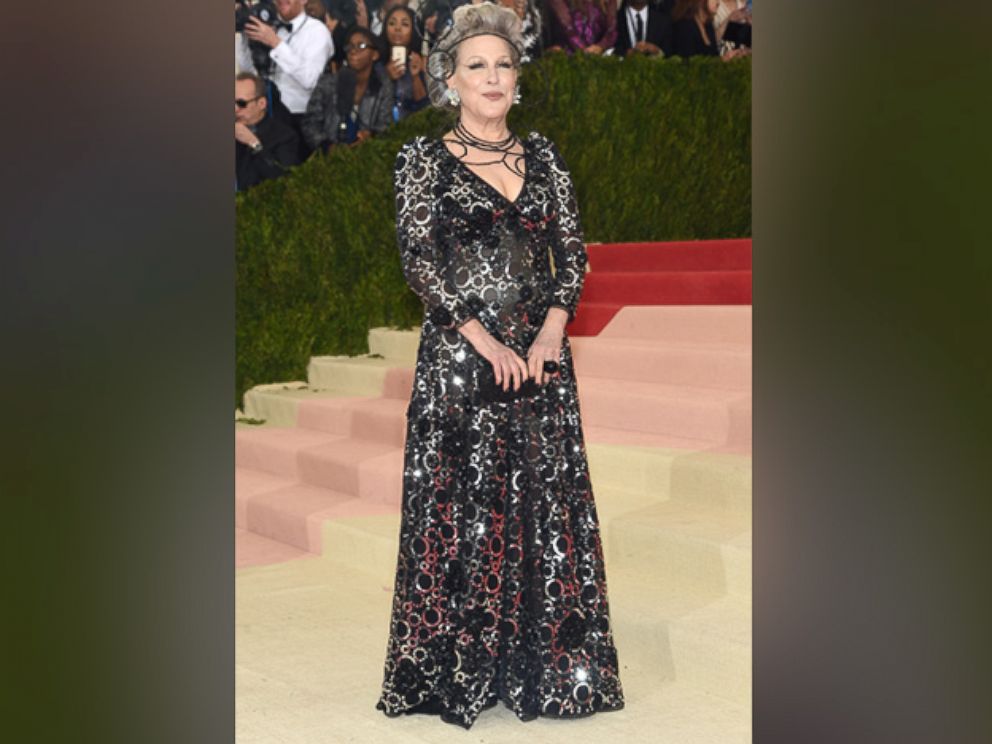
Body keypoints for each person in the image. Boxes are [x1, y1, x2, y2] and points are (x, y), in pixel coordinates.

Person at [374, 2, 625, 729]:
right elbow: (420, 260)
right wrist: (486, 341)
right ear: (449, 80)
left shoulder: (545, 158)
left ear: (519, 79)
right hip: (462, 364)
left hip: (541, 367)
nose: (492, 76)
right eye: (475, 65)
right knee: (460, 513)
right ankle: (456, 673)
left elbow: (571, 256)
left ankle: (546, 668)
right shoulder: (420, 161)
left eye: (503, 64)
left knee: (545, 512)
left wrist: (549, 334)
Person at [236, 0, 335, 155]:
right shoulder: (271, 27)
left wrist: (275, 43)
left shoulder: (317, 31)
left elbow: (310, 79)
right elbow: (251, 74)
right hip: (268, 117)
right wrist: (245, 36)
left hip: (301, 120)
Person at [301, 26, 395, 150]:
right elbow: (310, 123)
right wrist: (327, 146)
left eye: (361, 46)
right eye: (350, 46)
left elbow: (385, 126)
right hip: (328, 159)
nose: (353, 51)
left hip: (368, 156)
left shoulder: (383, 87)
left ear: (375, 55)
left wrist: (371, 136)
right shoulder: (328, 83)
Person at [235, 72, 302, 191]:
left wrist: (254, 144)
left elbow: (283, 179)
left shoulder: (284, 136)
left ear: (261, 103)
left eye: (241, 103)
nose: (236, 109)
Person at [381, 5, 430, 121]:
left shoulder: (420, 62)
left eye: (405, 24)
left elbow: (425, 109)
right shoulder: (377, 61)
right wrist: (386, 76)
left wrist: (415, 77)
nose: (397, 28)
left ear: (413, 30)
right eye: (392, 23)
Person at [545, 0, 618, 55]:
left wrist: (601, 46)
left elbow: (612, 30)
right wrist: (586, 52)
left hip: (600, 55)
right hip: (569, 57)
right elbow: (568, 30)